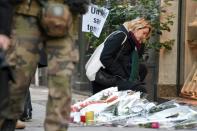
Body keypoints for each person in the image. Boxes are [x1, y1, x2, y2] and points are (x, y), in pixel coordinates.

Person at [0, 0, 89, 131]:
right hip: (24, 13)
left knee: (62, 82)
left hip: (62, 14)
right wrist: (3, 28)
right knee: (15, 81)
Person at [92, 18, 152, 94]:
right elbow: (105, 58)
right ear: (137, 28)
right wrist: (123, 75)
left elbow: (131, 63)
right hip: (105, 77)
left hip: (117, 76)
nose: (144, 37)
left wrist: (140, 45)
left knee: (142, 69)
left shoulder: (133, 42)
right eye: (144, 33)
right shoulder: (120, 36)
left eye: (146, 35)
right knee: (140, 90)